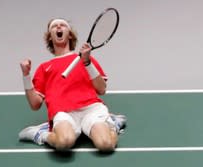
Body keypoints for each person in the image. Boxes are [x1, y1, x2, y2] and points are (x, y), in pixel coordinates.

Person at [18, 17, 126, 152]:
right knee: (64, 143)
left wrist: (87, 63)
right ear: (50, 37)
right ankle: (41, 134)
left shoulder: (86, 59)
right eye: (54, 26)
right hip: (63, 112)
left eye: (62, 25)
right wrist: (26, 76)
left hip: (91, 109)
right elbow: (35, 104)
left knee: (106, 145)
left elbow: (101, 89)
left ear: (69, 34)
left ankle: (113, 124)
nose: (58, 27)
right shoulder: (44, 67)